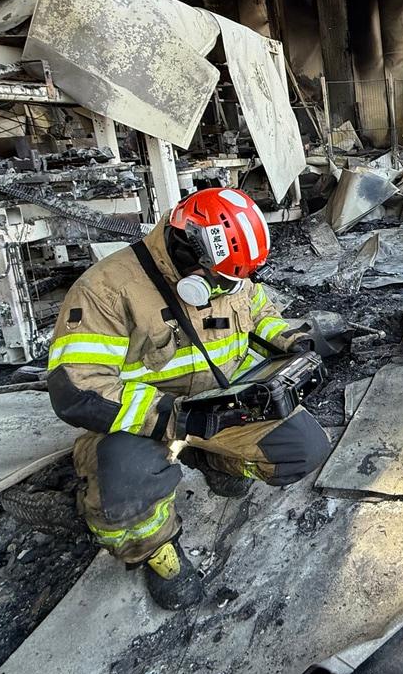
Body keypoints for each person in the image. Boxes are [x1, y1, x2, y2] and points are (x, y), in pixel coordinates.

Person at [46, 187, 329, 610]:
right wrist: (172, 420)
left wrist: (293, 342)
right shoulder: (106, 290)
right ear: (188, 249)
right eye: (221, 280)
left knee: (304, 447)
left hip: (218, 406)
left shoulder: (229, 278)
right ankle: (154, 551)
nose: (228, 290)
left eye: (236, 281)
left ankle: (212, 459)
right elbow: (77, 387)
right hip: (143, 424)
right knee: (124, 489)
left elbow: (260, 314)